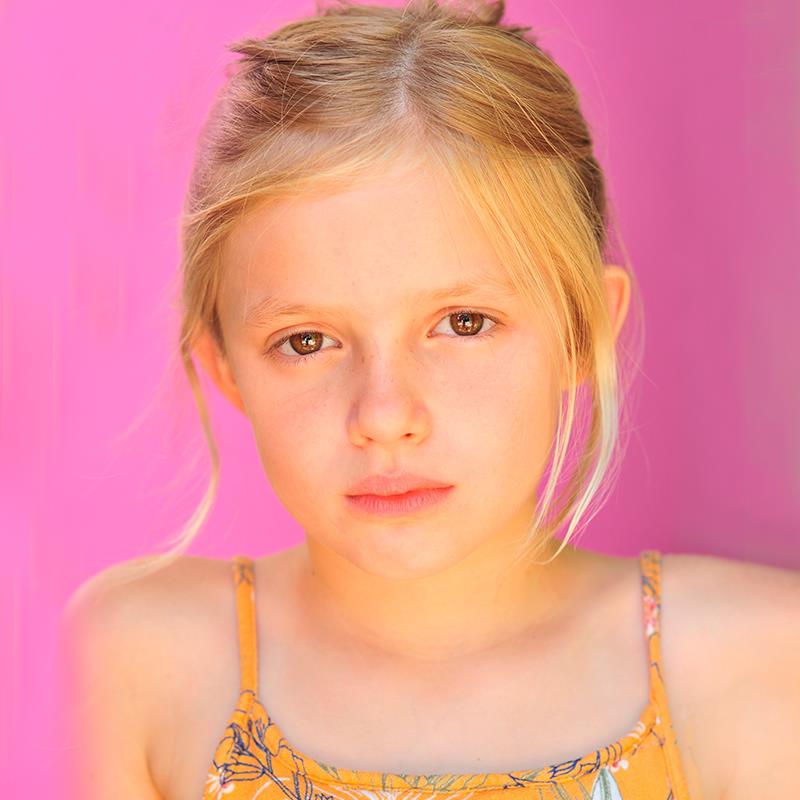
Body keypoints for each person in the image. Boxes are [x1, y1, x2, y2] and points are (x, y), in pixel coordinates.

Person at [60, 0, 800, 798]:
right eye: (306, 341)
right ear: (226, 368)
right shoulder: (139, 664)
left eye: (463, 323)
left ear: (583, 331)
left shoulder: (750, 666)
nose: (384, 417)